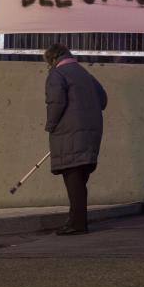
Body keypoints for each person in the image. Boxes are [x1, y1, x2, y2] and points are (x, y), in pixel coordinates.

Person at [43, 43, 107, 235]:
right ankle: (75, 220)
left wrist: (51, 125)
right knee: (79, 180)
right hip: (92, 130)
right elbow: (102, 100)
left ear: (53, 59)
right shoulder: (85, 74)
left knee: (73, 179)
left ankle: (78, 224)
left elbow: (56, 103)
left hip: (69, 133)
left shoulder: (57, 74)